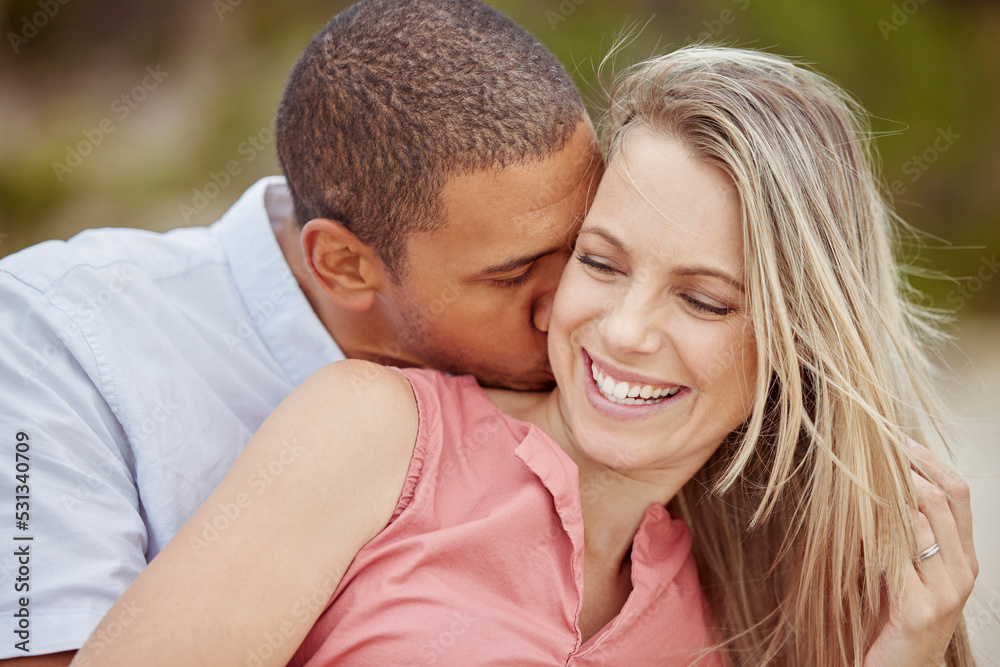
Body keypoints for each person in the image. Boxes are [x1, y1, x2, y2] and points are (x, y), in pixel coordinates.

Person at [71, 46, 978, 666]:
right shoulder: (378, 434)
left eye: (703, 299)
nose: (623, 330)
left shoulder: (765, 603)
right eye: (600, 261)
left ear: (797, 341)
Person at [0, 1, 603, 663]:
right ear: (344, 265)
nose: (573, 309)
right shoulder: (53, 335)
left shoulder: (611, 359)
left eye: (587, 252)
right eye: (514, 277)